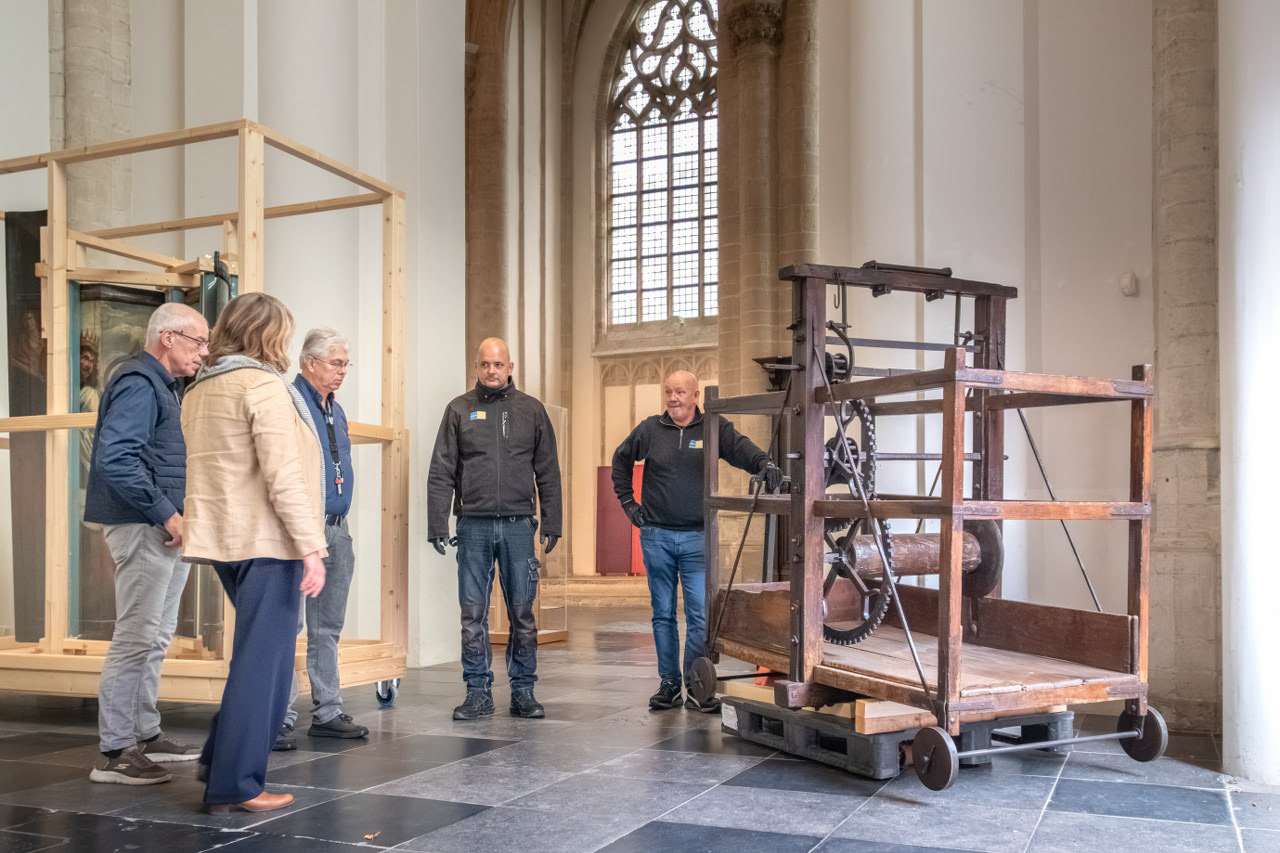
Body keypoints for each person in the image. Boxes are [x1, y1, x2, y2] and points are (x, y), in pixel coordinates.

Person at [181, 293, 327, 814]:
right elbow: (282, 474)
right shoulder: (262, 385)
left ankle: (219, 758)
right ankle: (237, 783)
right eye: (283, 333)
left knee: (257, 656)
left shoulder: (200, 388)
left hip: (225, 540)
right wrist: (310, 545)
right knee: (266, 665)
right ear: (267, 335)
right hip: (269, 542)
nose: (285, 342)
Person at [85, 303, 209, 785]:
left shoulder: (166, 387)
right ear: (169, 338)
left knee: (155, 635)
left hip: (164, 526)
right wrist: (166, 512)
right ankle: (114, 752)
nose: (203, 352)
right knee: (135, 637)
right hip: (144, 525)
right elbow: (116, 460)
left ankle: (145, 732)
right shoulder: (139, 383)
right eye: (198, 341)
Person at [611, 370, 781, 713]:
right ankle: (669, 685)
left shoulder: (712, 428)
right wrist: (629, 503)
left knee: (700, 616)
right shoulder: (649, 429)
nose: (674, 398)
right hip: (656, 536)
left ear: (696, 395)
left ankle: (697, 685)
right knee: (662, 614)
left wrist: (765, 463)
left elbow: (741, 449)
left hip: (697, 539)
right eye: (669, 392)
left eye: (680, 392)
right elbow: (621, 460)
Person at [427, 337, 561, 721]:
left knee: (522, 613)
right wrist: (438, 521)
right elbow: (442, 471)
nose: (491, 371)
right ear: (476, 367)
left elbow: (548, 470)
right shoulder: (458, 409)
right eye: (485, 364)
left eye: (498, 365)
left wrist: (553, 520)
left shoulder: (531, 410)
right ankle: (477, 693)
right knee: (472, 614)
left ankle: (523, 692)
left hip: (520, 527)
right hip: (474, 527)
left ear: (510, 367)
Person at [274, 328, 368, 750]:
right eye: (336, 363)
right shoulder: (288, 403)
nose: (343, 371)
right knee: (285, 627)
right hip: (300, 529)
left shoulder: (337, 410)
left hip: (337, 529)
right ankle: (277, 716)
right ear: (309, 363)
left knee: (328, 626)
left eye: (346, 364)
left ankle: (328, 711)